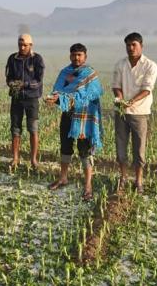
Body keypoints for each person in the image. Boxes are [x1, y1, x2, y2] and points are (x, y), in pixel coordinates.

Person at [46, 43, 103, 201]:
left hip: (84, 117)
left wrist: (70, 98)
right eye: (73, 55)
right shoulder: (65, 73)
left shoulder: (90, 74)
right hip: (68, 115)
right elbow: (57, 90)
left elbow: (94, 93)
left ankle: (88, 185)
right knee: (65, 147)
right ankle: (63, 178)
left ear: (85, 56)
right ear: (70, 55)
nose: (76, 58)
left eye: (79, 55)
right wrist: (55, 99)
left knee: (84, 150)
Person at [111, 32, 157, 194]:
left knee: (139, 149)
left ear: (141, 46)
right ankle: (123, 178)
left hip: (140, 112)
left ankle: (138, 180)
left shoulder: (150, 65)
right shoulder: (120, 64)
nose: (130, 48)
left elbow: (147, 89)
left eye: (134, 45)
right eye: (128, 45)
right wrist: (120, 97)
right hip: (121, 111)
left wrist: (131, 102)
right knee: (121, 146)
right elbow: (116, 85)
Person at [5, 34, 45, 169]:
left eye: (25, 45)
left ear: (30, 45)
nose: (22, 47)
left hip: (31, 99)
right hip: (16, 99)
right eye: (20, 45)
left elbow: (39, 81)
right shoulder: (12, 58)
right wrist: (12, 84)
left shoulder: (37, 59)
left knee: (33, 129)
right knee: (15, 129)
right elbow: (8, 77)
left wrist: (25, 84)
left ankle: (33, 160)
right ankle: (15, 158)